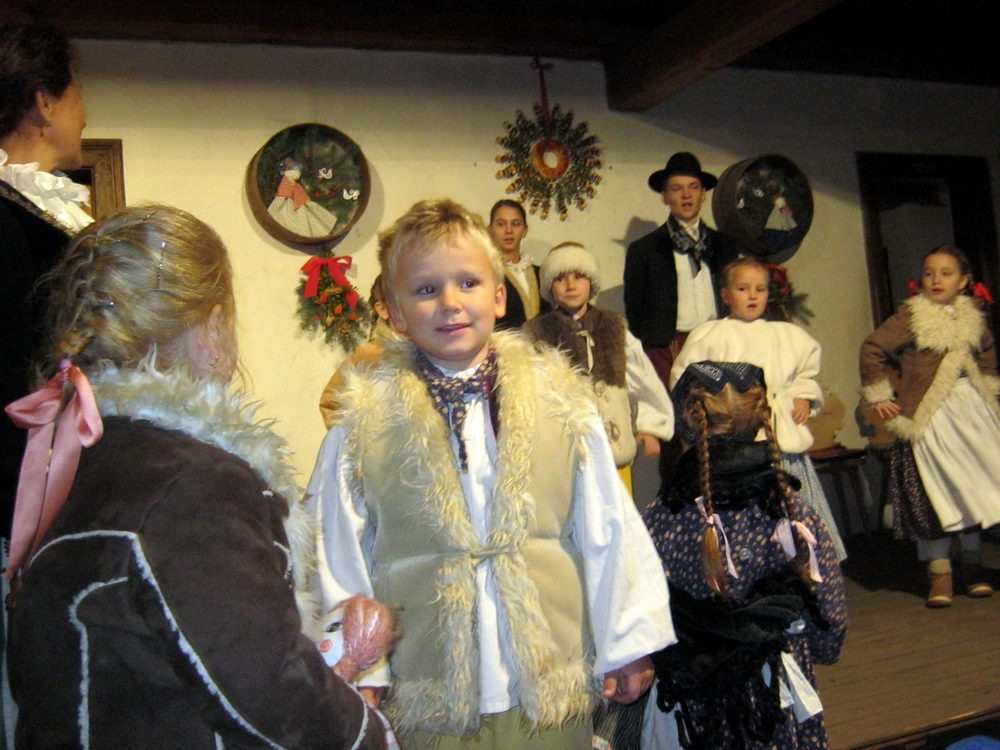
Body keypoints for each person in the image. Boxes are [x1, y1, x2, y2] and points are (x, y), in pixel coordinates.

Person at [4, 205, 391, 749]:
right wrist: (368, 735)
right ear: (211, 328)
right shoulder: (190, 484)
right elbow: (269, 688)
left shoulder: (77, 455)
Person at [306, 198, 675, 749]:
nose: (450, 303)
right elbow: (335, 547)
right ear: (396, 312)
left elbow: (607, 524)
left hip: (546, 683)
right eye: (426, 289)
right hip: (428, 688)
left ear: (499, 296)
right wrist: (360, 664)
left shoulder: (561, 402)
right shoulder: (364, 424)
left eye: (468, 283)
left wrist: (628, 640)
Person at [641, 362, 846, 750]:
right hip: (777, 702)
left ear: (687, 419)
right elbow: (828, 624)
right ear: (760, 416)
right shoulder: (793, 514)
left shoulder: (655, 521)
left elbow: (641, 618)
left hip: (695, 706)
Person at [670, 257, 847, 561]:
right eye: (742, 289)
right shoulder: (710, 335)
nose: (752, 296)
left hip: (781, 440)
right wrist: (711, 412)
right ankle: (752, 560)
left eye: (760, 289)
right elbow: (687, 380)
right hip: (733, 442)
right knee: (747, 513)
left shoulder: (787, 335)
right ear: (725, 295)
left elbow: (805, 374)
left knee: (795, 504)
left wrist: (803, 397)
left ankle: (806, 563)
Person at [860, 245, 1000, 607]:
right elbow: (873, 349)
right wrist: (880, 394)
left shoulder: (973, 316)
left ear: (964, 281)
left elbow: (986, 350)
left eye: (946, 273)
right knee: (935, 491)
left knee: (971, 486)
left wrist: (988, 387)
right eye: (929, 272)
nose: (936, 279)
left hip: (971, 412)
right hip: (931, 417)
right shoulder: (912, 315)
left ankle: (973, 565)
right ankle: (940, 572)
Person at [0, 22, 91, 546]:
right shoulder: (7, 220)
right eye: (78, 94)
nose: (86, 115)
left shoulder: (47, 212)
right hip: (21, 486)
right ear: (46, 102)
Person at [623, 152, 738, 487]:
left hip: (717, 343)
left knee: (722, 424)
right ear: (665, 197)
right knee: (675, 430)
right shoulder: (645, 250)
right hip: (668, 348)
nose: (686, 195)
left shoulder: (724, 245)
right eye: (677, 188)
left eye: (693, 187)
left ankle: (722, 500)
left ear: (703, 194)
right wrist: (653, 350)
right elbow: (636, 310)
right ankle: (678, 502)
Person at [524, 241, 673, 471]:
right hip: (564, 452)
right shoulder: (537, 333)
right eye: (561, 278)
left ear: (591, 282)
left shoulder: (614, 327)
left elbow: (642, 378)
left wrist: (650, 425)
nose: (571, 285)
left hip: (614, 448)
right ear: (549, 287)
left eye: (579, 276)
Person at [319, 274, 402, 428]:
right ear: (383, 309)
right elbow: (331, 403)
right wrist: (356, 438)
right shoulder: (371, 354)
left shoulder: (435, 349)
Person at [488, 198, 551, 329]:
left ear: (525, 230)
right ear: (490, 229)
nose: (509, 230)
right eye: (501, 224)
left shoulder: (541, 274)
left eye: (516, 224)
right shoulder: (486, 274)